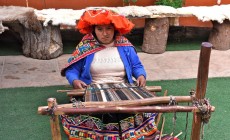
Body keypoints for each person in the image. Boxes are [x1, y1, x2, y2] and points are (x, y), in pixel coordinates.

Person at [61, 8, 176, 140]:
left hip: (122, 89)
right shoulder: (85, 46)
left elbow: (136, 66)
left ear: (115, 28)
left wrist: (140, 75)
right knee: (103, 113)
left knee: (126, 110)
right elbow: (72, 71)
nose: (105, 33)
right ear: (94, 30)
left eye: (109, 28)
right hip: (95, 91)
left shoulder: (124, 46)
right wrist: (75, 80)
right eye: (100, 29)